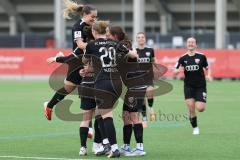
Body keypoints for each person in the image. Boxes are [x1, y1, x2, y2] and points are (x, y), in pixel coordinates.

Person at [44, 0, 99, 155]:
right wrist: (95, 47)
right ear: (85, 15)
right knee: (72, 89)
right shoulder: (78, 27)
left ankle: (87, 128)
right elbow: (80, 45)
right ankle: (49, 105)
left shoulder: (90, 26)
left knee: (80, 91)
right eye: (92, 17)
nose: (94, 19)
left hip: (86, 61)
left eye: (96, 17)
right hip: (77, 62)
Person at [107, 26, 147, 157]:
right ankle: (126, 146)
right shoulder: (119, 46)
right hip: (131, 87)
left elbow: (132, 55)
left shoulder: (122, 46)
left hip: (136, 86)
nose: (107, 36)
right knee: (125, 116)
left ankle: (140, 147)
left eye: (109, 34)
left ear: (115, 35)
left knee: (134, 116)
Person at [174, 37, 212, 135]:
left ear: (196, 45)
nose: (191, 44)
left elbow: (208, 68)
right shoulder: (182, 58)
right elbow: (175, 71)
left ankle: (192, 109)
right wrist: (178, 71)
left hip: (200, 86)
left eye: (192, 42)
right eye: (189, 42)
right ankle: (195, 127)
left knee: (200, 108)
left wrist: (208, 76)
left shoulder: (202, 56)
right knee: (191, 108)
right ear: (186, 44)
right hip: (188, 86)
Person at [136, 32, 156, 127]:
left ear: (145, 39)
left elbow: (154, 61)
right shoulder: (134, 51)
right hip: (138, 79)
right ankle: (144, 118)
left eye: (142, 37)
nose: (141, 39)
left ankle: (151, 107)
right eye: (139, 37)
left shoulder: (150, 50)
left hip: (148, 77)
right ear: (137, 39)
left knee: (150, 93)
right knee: (142, 99)